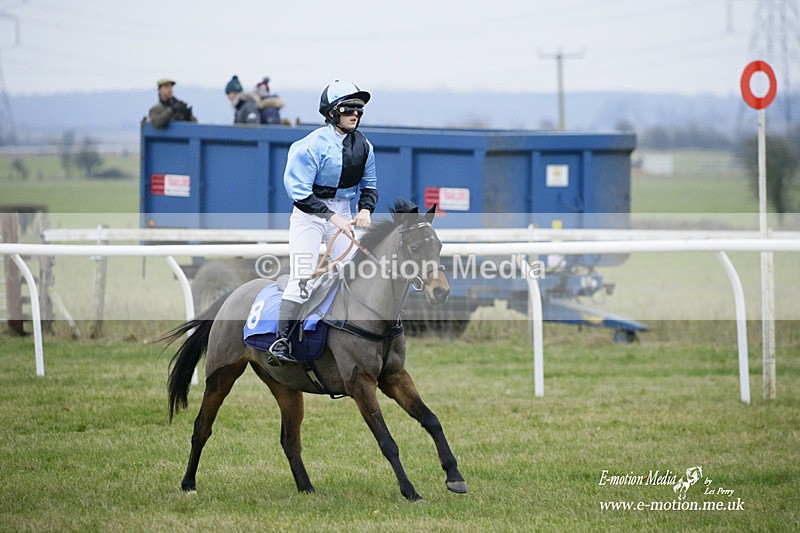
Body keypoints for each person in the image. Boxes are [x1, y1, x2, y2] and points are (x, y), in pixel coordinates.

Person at [268, 80, 378, 365]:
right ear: (332, 113)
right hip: (309, 216)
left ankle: (350, 338)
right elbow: (300, 193)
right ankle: (281, 342)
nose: (355, 114)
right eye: (348, 108)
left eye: (359, 109)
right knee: (302, 275)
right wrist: (332, 218)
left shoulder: (365, 146)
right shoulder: (309, 146)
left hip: (342, 210)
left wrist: (365, 209)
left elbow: (370, 185)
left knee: (356, 273)